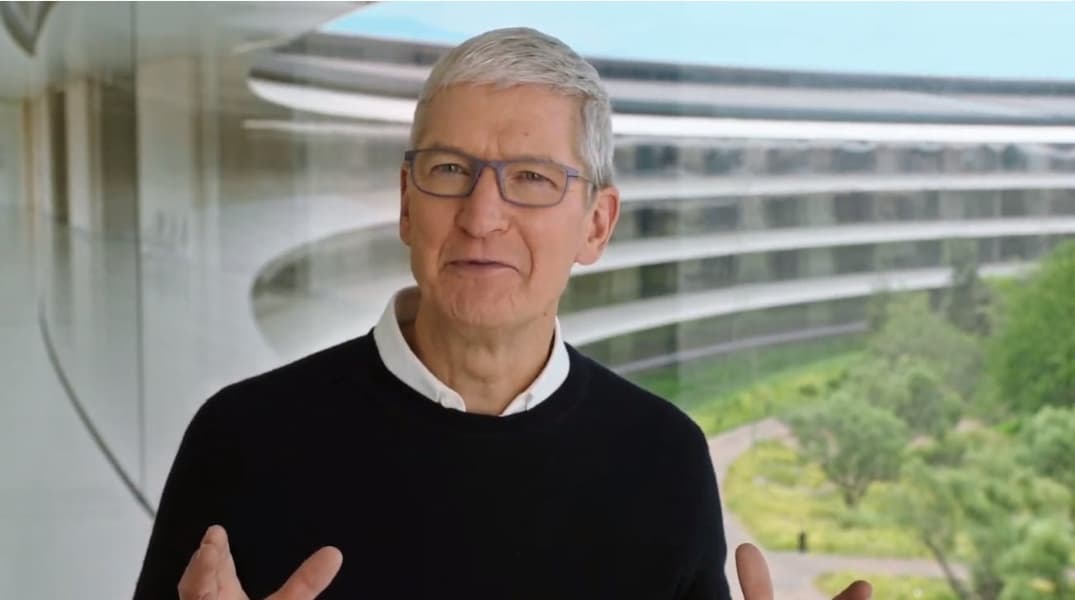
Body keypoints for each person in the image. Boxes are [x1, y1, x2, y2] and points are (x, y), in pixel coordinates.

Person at [133, 27, 872, 600]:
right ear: (406, 202)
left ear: (596, 226)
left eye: (531, 178)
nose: (481, 216)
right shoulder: (243, 438)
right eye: (450, 170)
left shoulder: (663, 457)